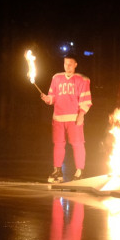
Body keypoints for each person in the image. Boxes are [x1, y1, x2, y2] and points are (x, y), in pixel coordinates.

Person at [41, 53, 92, 183]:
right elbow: (52, 97)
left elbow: (86, 100)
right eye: (65, 63)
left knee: (77, 144)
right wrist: (47, 99)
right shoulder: (56, 78)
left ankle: (79, 171)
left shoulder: (82, 80)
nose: (67, 66)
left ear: (75, 65)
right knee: (58, 144)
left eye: (70, 64)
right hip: (58, 117)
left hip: (74, 118)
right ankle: (57, 170)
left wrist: (81, 115)